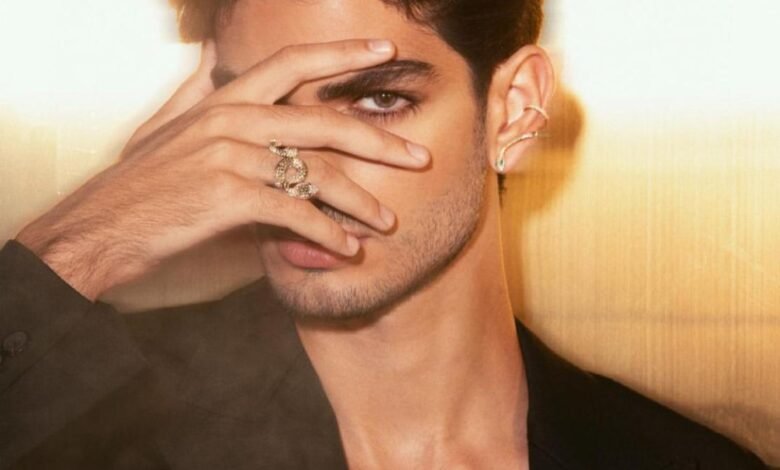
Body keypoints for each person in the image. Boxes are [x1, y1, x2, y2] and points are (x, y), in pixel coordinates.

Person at [0, 0, 768, 468]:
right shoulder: (80, 429)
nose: (303, 172)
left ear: (513, 110)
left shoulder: (671, 459)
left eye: (377, 101)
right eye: (261, 110)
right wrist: (81, 242)